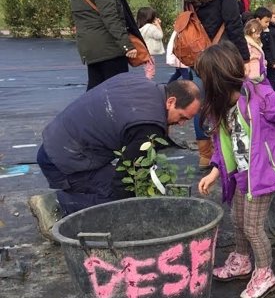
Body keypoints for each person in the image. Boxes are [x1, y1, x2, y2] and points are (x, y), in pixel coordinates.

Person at [196, 45, 275, 298]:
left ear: (216, 78)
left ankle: (265, 272)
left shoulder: (259, 97)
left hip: (263, 176)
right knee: (237, 219)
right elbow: (224, 146)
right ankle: (241, 260)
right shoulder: (221, 106)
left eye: (204, 77)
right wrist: (215, 172)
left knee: (252, 226)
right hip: (242, 175)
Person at [29, 74, 201, 227]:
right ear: (170, 102)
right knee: (120, 199)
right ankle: (58, 205)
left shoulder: (139, 83)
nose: (181, 124)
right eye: (182, 117)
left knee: (120, 184)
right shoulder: (148, 126)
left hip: (56, 143)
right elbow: (125, 179)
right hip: (63, 161)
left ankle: (74, 196)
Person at [180, 0, 249, 170]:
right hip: (222, 54)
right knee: (229, 101)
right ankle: (228, 150)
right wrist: (246, 57)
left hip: (198, 54)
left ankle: (205, 154)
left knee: (203, 102)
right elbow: (234, 24)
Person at [67, 0, 141, 90]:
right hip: (109, 48)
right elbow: (110, 17)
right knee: (117, 91)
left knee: (95, 90)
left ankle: (89, 113)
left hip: (89, 48)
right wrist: (126, 45)